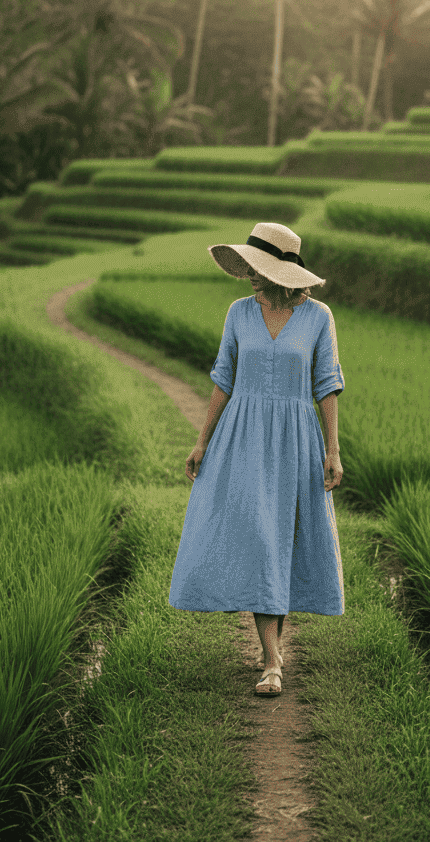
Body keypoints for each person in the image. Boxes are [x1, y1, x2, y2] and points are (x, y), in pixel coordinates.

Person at [168, 223, 346, 697]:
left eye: (258, 266)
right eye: (248, 265)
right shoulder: (239, 313)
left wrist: (332, 450)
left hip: (295, 440)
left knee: (279, 540)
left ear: (283, 270)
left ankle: (273, 653)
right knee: (258, 535)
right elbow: (224, 378)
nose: (250, 274)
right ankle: (271, 659)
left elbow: (326, 384)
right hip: (240, 437)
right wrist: (202, 440)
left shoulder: (318, 318)